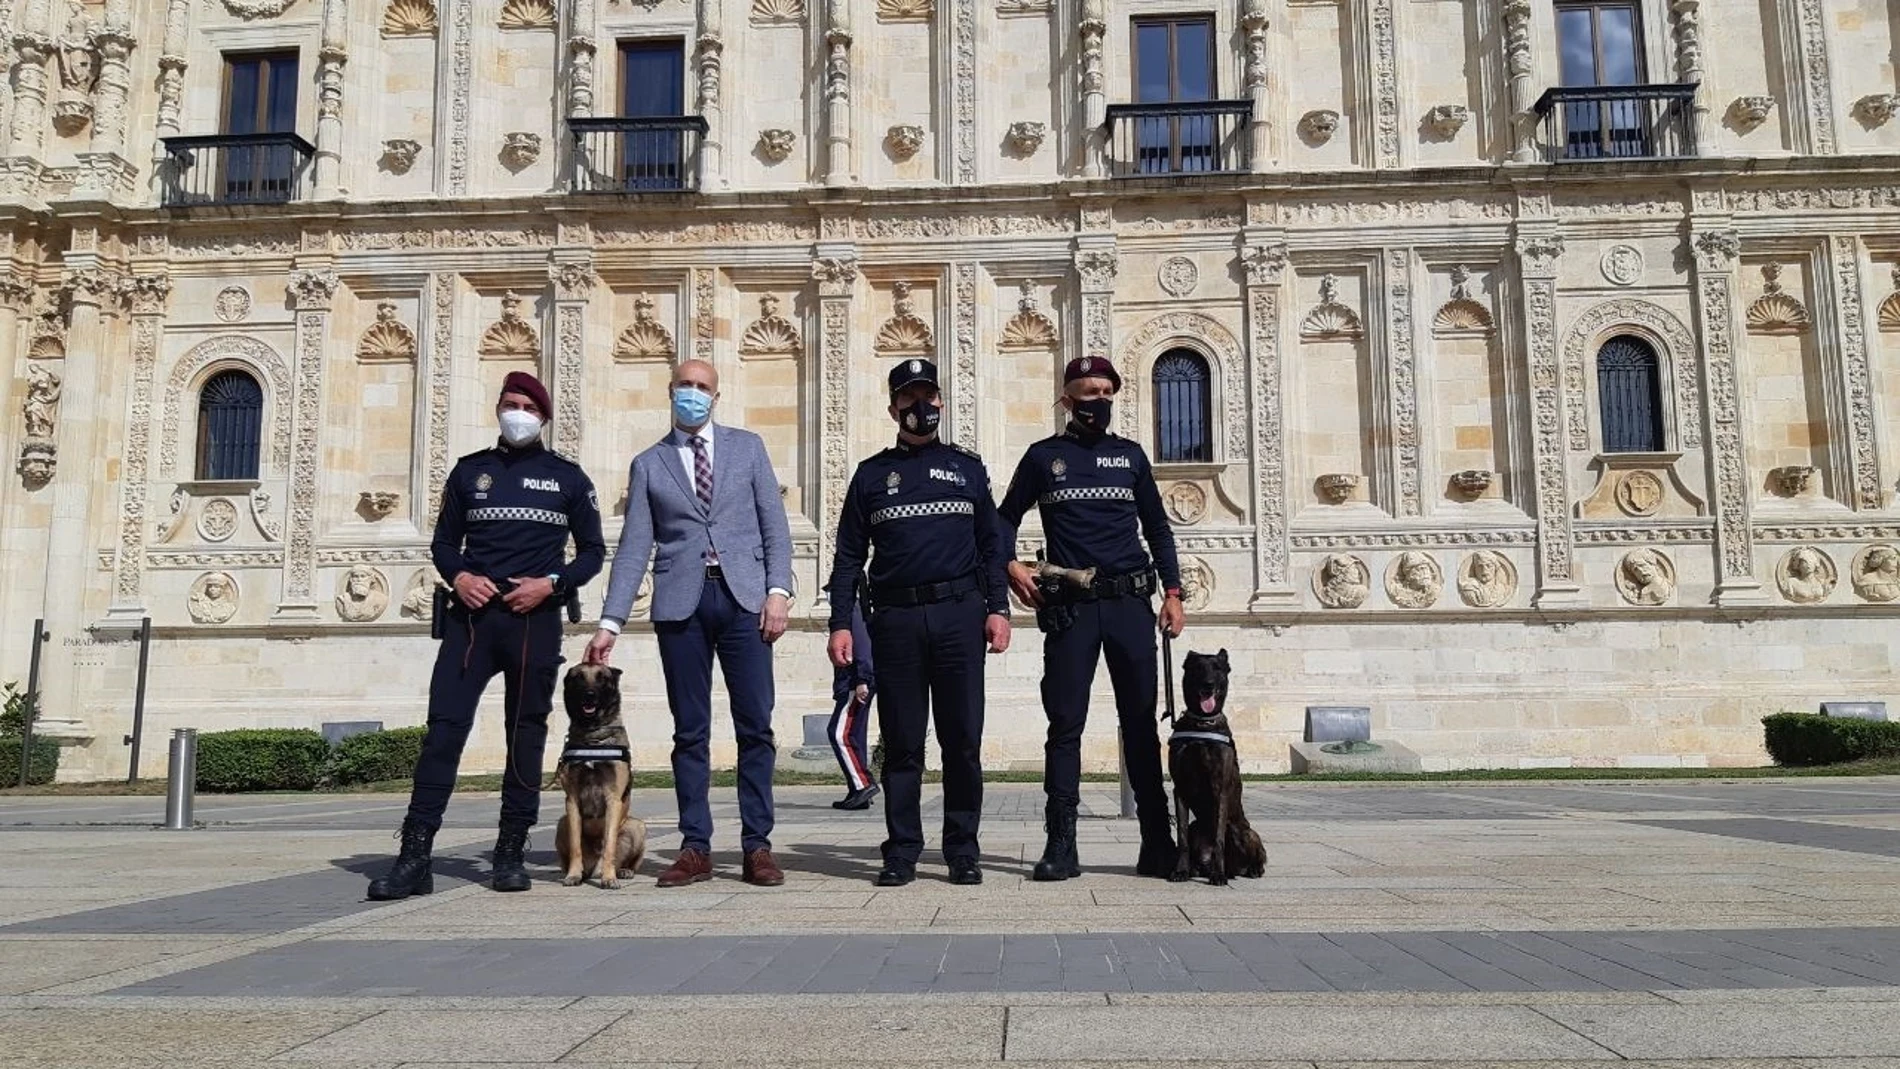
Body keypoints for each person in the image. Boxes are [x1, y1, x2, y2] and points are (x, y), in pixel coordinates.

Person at [369, 371, 604, 900]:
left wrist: (552, 584)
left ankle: (509, 853)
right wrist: (462, 577)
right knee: (444, 733)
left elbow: (592, 551)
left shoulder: (567, 478)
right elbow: (444, 543)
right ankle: (415, 856)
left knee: (526, 734)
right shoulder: (469, 471)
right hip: (471, 622)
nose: (515, 412)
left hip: (532, 620)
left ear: (542, 417)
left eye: (525, 405)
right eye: (508, 403)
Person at [585, 358, 794, 888]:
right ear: (671, 392)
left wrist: (778, 592)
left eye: (702, 387)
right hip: (681, 603)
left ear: (716, 397)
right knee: (690, 731)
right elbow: (634, 548)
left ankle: (757, 846)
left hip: (744, 599)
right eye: (685, 386)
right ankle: (695, 846)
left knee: (756, 725)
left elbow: (775, 526)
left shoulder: (748, 448)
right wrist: (610, 622)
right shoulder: (650, 463)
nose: (693, 395)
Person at [997, 356, 1184, 882]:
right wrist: (1011, 566)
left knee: (1141, 726)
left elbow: (1158, 529)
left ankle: (1157, 843)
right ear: (1065, 399)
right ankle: (1061, 844)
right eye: (1085, 392)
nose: (1096, 401)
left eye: (1104, 392)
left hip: (1128, 604)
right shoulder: (1043, 458)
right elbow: (1000, 520)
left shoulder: (1130, 457)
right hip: (1071, 607)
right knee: (1065, 727)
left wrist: (1173, 592)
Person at [826, 357, 1011, 887]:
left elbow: (991, 547)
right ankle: (902, 850)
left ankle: (962, 849)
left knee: (962, 741)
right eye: (909, 400)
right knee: (903, 742)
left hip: (959, 616)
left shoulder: (968, 470)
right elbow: (846, 558)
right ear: (893, 408)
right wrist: (841, 622)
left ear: (941, 404)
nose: (920, 408)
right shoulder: (870, 476)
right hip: (897, 619)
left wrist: (998, 609)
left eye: (928, 398)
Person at [826, 571, 878, 810]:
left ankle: (863, 785)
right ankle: (857, 790)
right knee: (854, 734)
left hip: (855, 681)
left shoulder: (852, 612)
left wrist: (862, 680)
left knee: (840, 734)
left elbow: (863, 648)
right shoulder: (855, 611)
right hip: (852, 680)